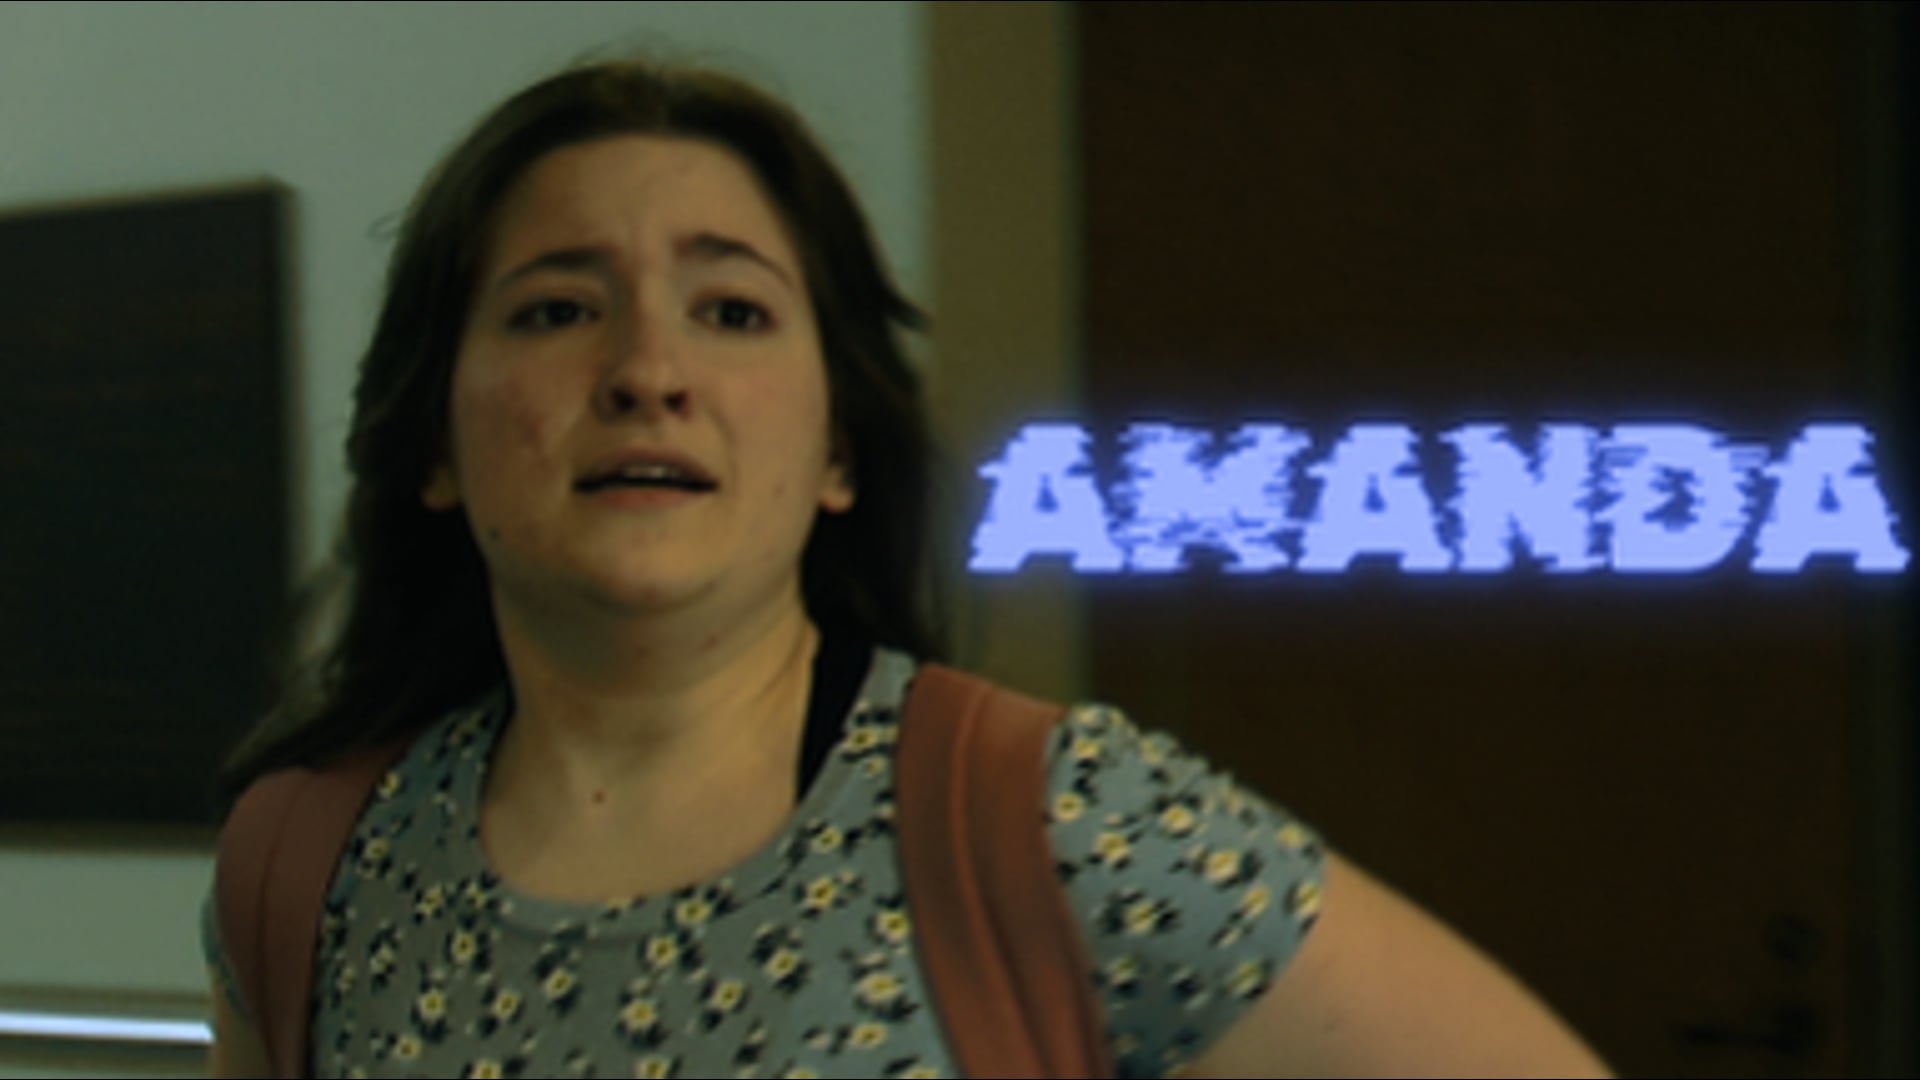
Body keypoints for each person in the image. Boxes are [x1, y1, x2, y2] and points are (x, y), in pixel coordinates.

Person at [205, 55, 1612, 1079]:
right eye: (558, 308)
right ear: (434, 444)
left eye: (732, 311)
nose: (647, 372)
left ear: (839, 450)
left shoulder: (1055, 824)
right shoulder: (308, 866)